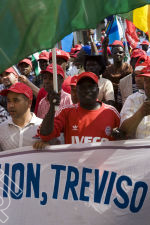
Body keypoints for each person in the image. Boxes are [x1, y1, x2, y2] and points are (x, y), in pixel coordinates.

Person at [33, 72, 120, 148]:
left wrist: (120, 134)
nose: (87, 90)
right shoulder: (66, 112)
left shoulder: (111, 112)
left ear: (97, 90)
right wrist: (52, 107)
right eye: (82, 87)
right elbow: (45, 135)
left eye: (90, 86)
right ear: (76, 91)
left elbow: (126, 139)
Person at [0, 82, 42, 151]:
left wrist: (48, 147)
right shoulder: (1, 129)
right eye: (8, 101)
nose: (11, 105)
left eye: (15, 100)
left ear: (29, 103)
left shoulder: (43, 126)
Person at [119, 64, 150, 139]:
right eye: (146, 81)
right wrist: (141, 112)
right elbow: (124, 132)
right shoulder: (133, 99)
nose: (148, 85)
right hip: (137, 150)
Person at [103, 40, 133, 110]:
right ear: (112, 54)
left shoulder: (128, 68)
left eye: (120, 52)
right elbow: (104, 61)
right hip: (111, 102)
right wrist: (104, 46)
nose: (118, 54)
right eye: (115, 52)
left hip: (126, 101)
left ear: (124, 54)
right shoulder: (107, 70)